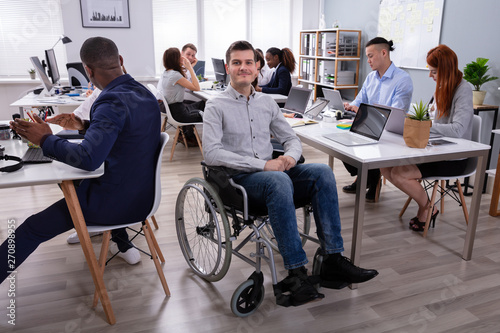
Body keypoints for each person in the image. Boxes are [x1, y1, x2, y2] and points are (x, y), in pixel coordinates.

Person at [203, 40, 378, 307]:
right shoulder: (216, 106)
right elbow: (212, 154)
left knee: (321, 172)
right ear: (228, 67)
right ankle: (296, 272)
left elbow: (291, 138)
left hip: (271, 175)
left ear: (257, 66)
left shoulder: (267, 103)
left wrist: (289, 157)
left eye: (249, 62)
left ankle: (332, 258)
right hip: (237, 181)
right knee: (278, 179)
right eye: (237, 63)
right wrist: (264, 165)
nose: (243, 67)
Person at [2, 37, 161, 282]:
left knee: (32, 228)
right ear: (120, 60)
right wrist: (84, 125)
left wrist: (45, 139)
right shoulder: (144, 94)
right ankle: (120, 240)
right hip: (143, 198)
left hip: (113, 205)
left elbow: (88, 158)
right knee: (67, 184)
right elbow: (125, 136)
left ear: (88, 70)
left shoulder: (109, 100)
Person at [381, 44, 473, 232]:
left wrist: (424, 126)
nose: (430, 76)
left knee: (399, 174)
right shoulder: (442, 87)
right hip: (435, 150)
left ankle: (428, 207)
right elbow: (434, 119)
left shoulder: (463, 90)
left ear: (445, 70)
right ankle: (428, 205)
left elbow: (457, 130)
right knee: (384, 166)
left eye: (434, 72)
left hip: (454, 157)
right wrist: (416, 120)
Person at [342, 37, 413, 201]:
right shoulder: (371, 78)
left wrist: (368, 113)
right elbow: (359, 99)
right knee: (341, 141)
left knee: (367, 140)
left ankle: (370, 179)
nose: (368, 61)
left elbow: (396, 113)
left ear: (384, 53)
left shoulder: (402, 79)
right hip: (370, 125)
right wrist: (351, 106)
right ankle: (364, 177)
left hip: (390, 131)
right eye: (367, 56)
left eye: (370, 56)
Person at [159, 47, 204, 146]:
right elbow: (197, 87)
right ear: (175, 59)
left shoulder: (167, 72)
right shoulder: (175, 75)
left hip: (176, 110)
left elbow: (185, 76)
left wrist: (189, 66)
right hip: (180, 114)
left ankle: (188, 137)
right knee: (208, 109)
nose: (182, 57)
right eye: (180, 56)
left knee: (203, 103)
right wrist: (191, 68)